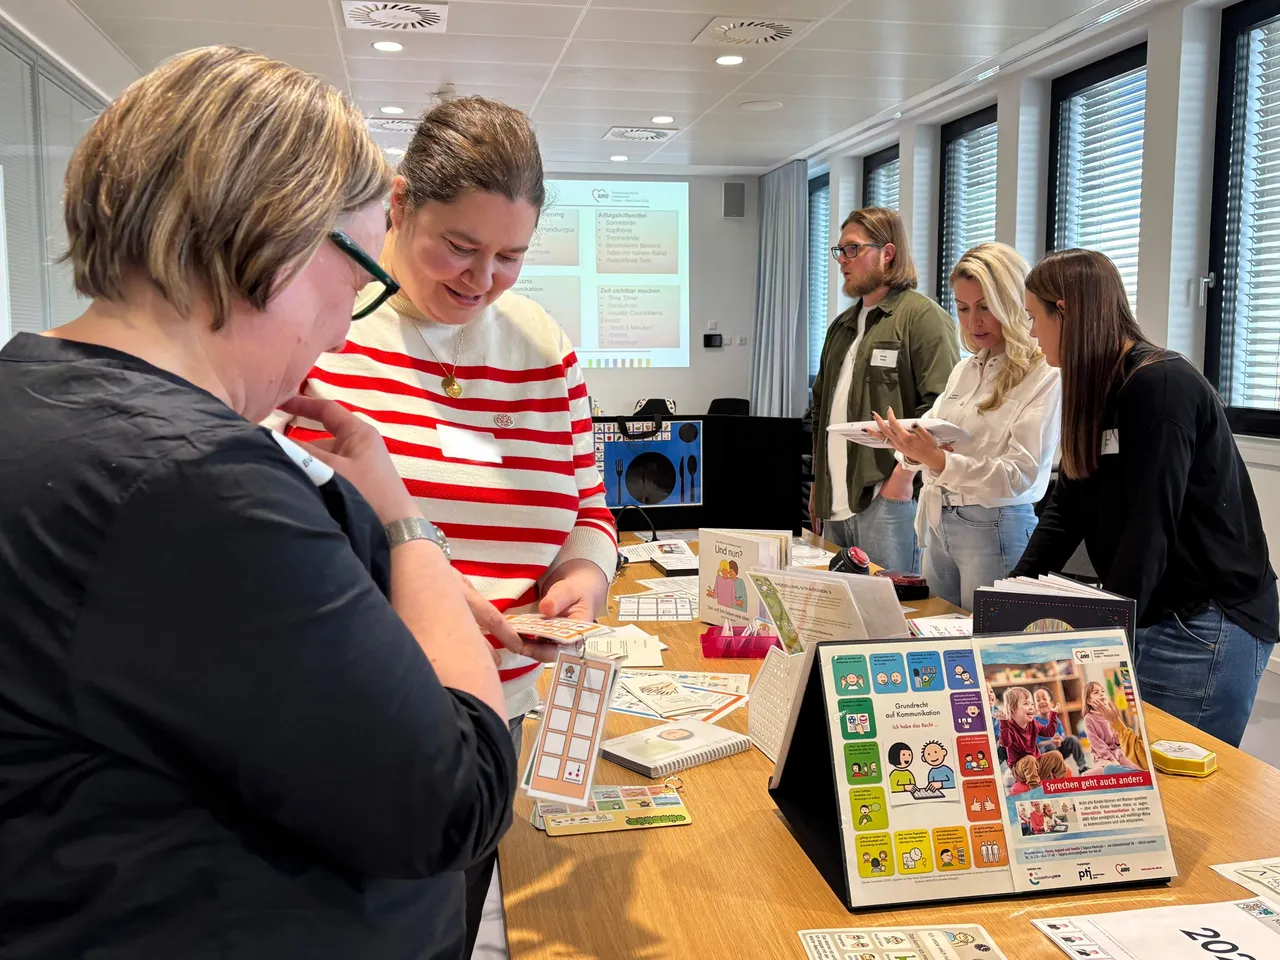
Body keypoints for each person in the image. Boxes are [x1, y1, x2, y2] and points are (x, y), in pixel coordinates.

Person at [0, 46, 520, 958]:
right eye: (356, 279)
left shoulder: (39, 397)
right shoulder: (189, 482)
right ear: (280, 238)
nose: (339, 328)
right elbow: (456, 796)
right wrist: (406, 525)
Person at [270, 96, 618, 949]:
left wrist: (583, 577)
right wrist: (432, 589)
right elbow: (283, 522)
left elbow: (589, 508)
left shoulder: (543, 345)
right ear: (399, 204)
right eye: (459, 246)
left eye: (511, 257)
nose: (482, 278)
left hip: (503, 710)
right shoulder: (327, 324)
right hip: (361, 715)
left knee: (466, 919)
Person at [1015, 249, 1279, 747]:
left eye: (1034, 317)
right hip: (1156, 610)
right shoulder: (1095, 387)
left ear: (1064, 311)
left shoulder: (1160, 385)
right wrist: (1009, 599)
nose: (1031, 333)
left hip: (1203, 620)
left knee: (1173, 780)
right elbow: (1066, 509)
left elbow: (1149, 525)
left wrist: (1107, 637)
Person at [872, 243, 1060, 609]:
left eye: (985, 307)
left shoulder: (1045, 373)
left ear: (1013, 303)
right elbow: (932, 431)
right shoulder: (965, 368)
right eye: (962, 308)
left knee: (986, 640)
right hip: (938, 520)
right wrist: (907, 447)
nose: (973, 322)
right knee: (935, 631)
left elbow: (1021, 474)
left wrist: (938, 460)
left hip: (994, 525)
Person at [809, 207, 960, 573]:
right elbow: (820, 411)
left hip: (889, 500)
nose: (843, 260)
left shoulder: (921, 318)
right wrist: (817, 484)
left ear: (887, 253)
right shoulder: (841, 326)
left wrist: (901, 479)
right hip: (835, 500)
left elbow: (942, 410)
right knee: (841, 604)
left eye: (853, 249)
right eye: (840, 251)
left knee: (893, 605)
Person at [1083, 681, 1141, 769]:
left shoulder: (1110, 714)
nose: (1101, 694)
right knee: (1112, 769)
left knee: (1136, 768)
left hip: (1117, 753)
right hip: (1101, 756)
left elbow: (1117, 743)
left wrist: (1117, 740)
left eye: (1103, 691)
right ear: (1088, 701)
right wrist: (1111, 758)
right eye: (1096, 692)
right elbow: (1096, 743)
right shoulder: (1088, 719)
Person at [1032, 686, 1091, 772]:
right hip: (1045, 755)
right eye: (1038, 700)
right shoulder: (1033, 723)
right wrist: (1051, 741)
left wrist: (1060, 739)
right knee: (1050, 746)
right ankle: (1056, 771)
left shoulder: (1055, 719)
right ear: (1034, 706)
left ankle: (1082, 766)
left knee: (1073, 739)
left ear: (1051, 703)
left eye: (1044, 699)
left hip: (1059, 750)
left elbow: (1063, 735)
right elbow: (1036, 744)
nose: (1041, 702)